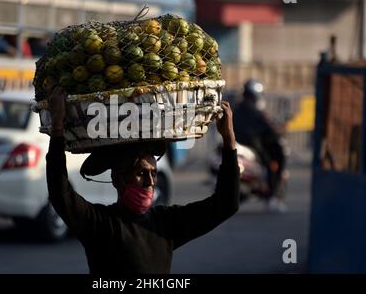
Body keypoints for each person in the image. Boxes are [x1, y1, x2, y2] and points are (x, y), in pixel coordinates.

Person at [45, 86, 240, 274]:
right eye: (140, 173)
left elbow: (226, 204)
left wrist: (229, 141)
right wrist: (56, 129)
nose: (150, 182)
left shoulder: (166, 222)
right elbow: (59, 192)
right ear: (117, 179)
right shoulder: (100, 224)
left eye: (153, 173)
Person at [232, 79, 287, 212]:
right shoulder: (256, 111)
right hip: (252, 146)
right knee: (271, 164)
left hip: (237, 144)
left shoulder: (238, 108)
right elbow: (270, 128)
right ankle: (271, 197)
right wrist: (279, 129)